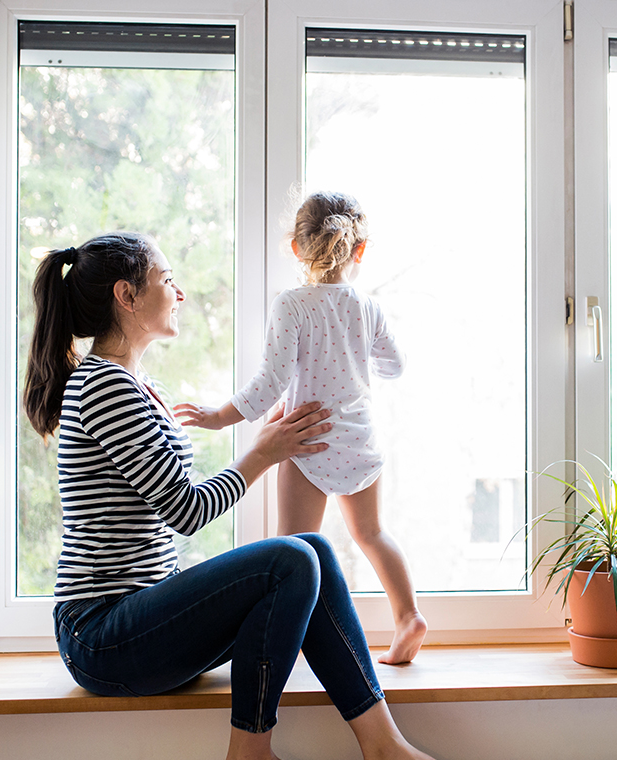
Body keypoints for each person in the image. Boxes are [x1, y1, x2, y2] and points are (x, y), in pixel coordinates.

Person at [23, 231, 435, 760]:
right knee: (290, 558)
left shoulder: (138, 385)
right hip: (102, 635)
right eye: (167, 280)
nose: (180, 293)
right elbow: (187, 510)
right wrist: (264, 452)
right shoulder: (104, 386)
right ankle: (250, 754)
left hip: (138, 619)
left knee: (312, 548)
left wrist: (268, 445)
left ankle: (384, 746)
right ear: (126, 296)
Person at [180, 192, 428, 665]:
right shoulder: (366, 306)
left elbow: (269, 384)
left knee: (291, 552)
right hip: (359, 440)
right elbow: (394, 366)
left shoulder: (290, 306)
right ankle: (408, 616)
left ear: (295, 247)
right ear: (359, 250)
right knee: (373, 533)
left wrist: (216, 416)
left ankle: (286, 645)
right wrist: (357, 354)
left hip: (305, 440)